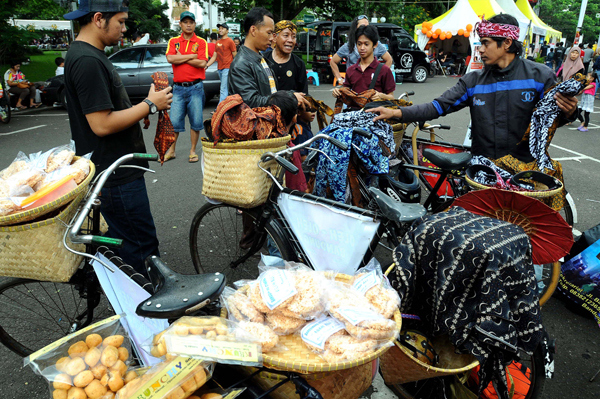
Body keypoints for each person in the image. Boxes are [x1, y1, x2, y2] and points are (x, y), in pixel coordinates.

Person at [367, 14, 578, 164]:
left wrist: (570, 112)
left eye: (485, 43)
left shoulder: (540, 77)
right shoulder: (473, 81)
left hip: (525, 170)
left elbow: (556, 116)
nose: (481, 50)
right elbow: (437, 107)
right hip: (483, 169)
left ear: (506, 43)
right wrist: (396, 112)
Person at [62, 0, 173, 275]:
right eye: (120, 22)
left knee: (128, 242)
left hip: (115, 169)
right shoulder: (87, 60)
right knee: (141, 246)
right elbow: (101, 124)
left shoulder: (90, 54)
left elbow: (107, 110)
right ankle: (147, 311)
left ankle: (130, 297)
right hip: (114, 173)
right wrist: (149, 105)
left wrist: (139, 108)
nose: (125, 28)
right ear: (99, 19)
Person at [228, 7, 307, 109]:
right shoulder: (241, 64)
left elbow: (271, 93)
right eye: (269, 33)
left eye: (293, 36)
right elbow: (250, 102)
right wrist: (290, 97)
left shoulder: (260, 59)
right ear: (253, 30)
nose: (271, 38)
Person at [164, 11, 208, 163]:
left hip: (195, 87)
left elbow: (203, 63)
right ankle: (172, 151)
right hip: (178, 88)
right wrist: (192, 56)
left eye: (191, 22)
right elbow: (170, 58)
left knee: (196, 121)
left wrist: (180, 56)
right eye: (185, 22)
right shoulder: (173, 41)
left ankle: (192, 151)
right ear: (180, 24)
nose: (188, 25)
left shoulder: (201, 42)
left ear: (195, 24)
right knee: (174, 121)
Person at [332, 25, 395, 102]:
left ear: (374, 45)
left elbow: (392, 97)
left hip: (376, 111)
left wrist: (382, 96)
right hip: (354, 112)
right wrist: (338, 92)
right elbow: (346, 93)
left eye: (366, 44)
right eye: (359, 44)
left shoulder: (384, 70)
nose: (362, 48)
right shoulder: (351, 70)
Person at [330, 15, 393, 86]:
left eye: (367, 26)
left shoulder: (377, 44)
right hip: (353, 87)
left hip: (371, 88)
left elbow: (389, 60)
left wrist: (380, 76)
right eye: (362, 26)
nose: (362, 48)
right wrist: (339, 79)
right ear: (355, 28)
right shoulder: (348, 46)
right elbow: (333, 61)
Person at [263, 20, 308, 95]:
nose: (290, 40)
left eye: (293, 37)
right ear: (275, 37)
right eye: (286, 35)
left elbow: (304, 94)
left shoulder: (299, 64)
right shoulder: (263, 60)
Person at [206, 22, 237, 102]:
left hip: (227, 68)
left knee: (223, 89)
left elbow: (235, 56)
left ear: (227, 31)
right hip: (219, 68)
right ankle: (227, 108)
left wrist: (235, 69)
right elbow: (214, 56)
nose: (220, 30)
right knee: (225, 88)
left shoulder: (230, 41)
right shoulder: (218, 42)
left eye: (222, 28)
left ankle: (220, 110)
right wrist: (206, 66)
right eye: (219, 28)